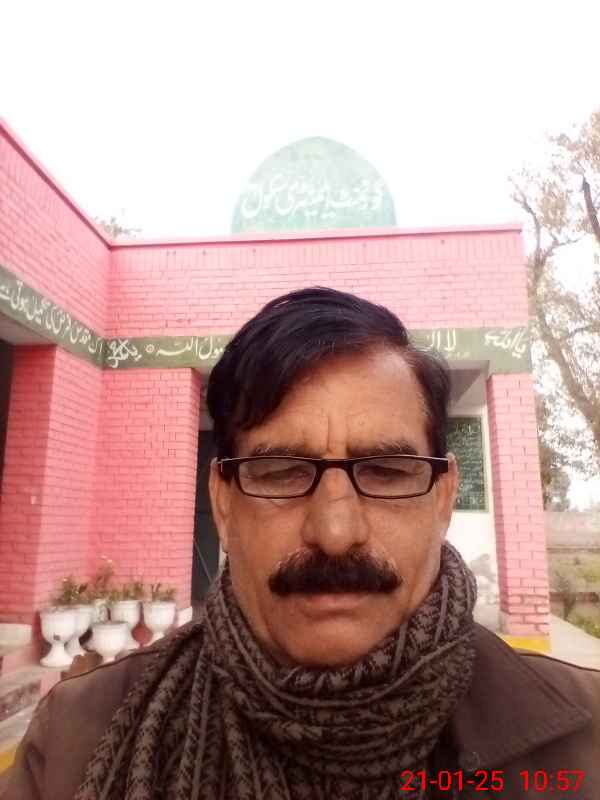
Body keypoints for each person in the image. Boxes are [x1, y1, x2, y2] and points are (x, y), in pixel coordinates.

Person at [3, 286, 599, 800]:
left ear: (442, 500)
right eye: (281, 472)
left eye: (386, 472)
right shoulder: (74, 744)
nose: (335, 534)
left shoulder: (581, 744)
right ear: (223, 504)